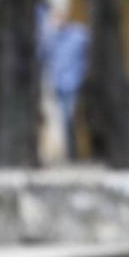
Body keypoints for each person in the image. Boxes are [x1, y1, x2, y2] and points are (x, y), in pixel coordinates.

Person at [40, 9, 91, 160]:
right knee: (65, 118)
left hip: (76, 83)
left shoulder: (79, 35)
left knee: (71, 117)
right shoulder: (52, 39)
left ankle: (76, 152)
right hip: (59, 84)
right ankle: (72, 153)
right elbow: (44, 57)